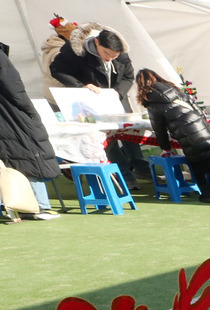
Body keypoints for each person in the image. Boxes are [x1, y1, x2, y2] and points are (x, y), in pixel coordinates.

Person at [48, 23, 143, 186]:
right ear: (97, 42)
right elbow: (56, 70)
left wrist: (118, 91)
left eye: (115, 56)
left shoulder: (121, 54)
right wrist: (81, 86)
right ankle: (125, 174)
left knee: (130, 133)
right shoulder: (74, 52)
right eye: (107, 53)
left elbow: (128, 76)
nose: (110, 58)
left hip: (116, 100)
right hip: (89, 103)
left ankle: (141, 167)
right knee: (105, 139)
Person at [135, 69, 210, 203]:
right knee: (208, 155)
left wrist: (166, 148)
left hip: (186, 134)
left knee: (196, 164)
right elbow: (198, 110)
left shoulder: (152, 104)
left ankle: (206, 194)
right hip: (200, 127)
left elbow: (160, 131)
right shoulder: (176, 91)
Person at [0, 43, 61, 219]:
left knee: (21, 156)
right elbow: (15, 89)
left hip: (8, 113)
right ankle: (38, 206)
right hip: (11, 114)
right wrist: (28, 111)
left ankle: (30, 206)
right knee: (29, 155)